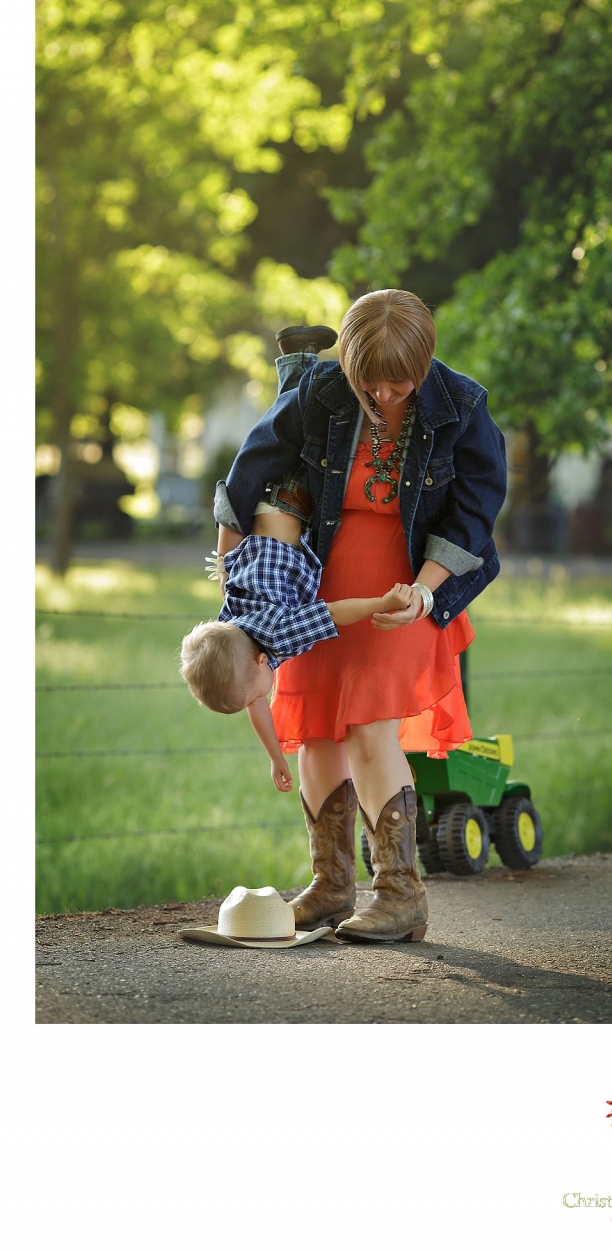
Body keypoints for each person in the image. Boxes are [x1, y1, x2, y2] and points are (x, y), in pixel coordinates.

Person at [213, 290, 508, 943]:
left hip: (403, 589)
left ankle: (400, 894)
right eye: (367, 383)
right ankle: (331, 885)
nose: (382, 396)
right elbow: (256, 462)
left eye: (398, 383)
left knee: (371, 731)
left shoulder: (462, 406)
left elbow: (476, 508)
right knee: (316, 730)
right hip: (319, 587)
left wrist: (427, 591)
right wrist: (232, 563)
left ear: (425, 362)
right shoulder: (320, 392)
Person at [179, 476, 413, 792]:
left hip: (293, 498)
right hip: (260, 508)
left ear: (263, 660)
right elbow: (256, 703)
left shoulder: (279, 634)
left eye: (255, 695)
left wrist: (382, 603)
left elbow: (332, 613)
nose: (260, 700)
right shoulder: (231, 629)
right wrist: (276, 757)